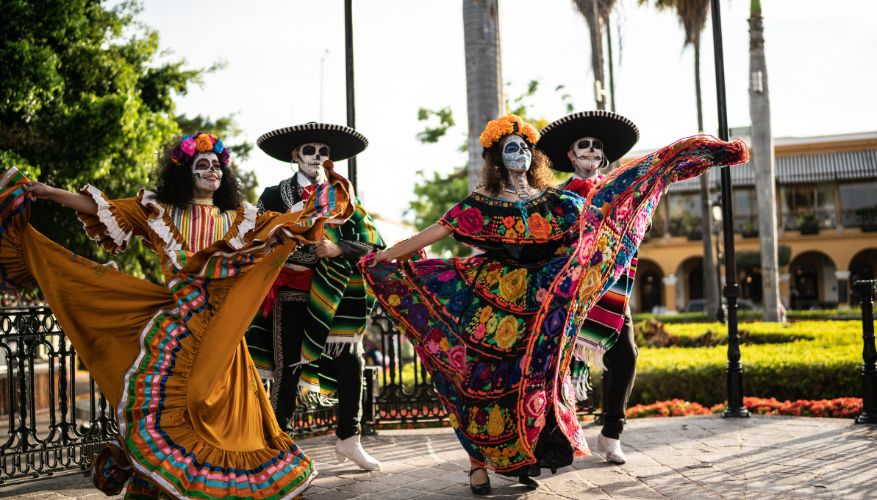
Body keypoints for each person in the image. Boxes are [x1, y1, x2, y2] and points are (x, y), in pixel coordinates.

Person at [360, 114, 748, 494]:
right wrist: (386, 255)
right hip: (492, 304)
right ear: (497, 158)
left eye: (526, 149)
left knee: (535, 380)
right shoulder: (482, 203)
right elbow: (438, 229)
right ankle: (478, 464)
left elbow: (600, 220)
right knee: (480, 380)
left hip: (543, 306)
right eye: (512, 149)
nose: (521, 156)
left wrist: (665, 166)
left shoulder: (557, 200)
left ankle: (528, 456)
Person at [0, 132, 353, 498]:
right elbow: (102, 208)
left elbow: (290, 223)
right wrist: (49, 192)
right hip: (175, 331)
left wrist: (322, 198)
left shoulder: (242, 219)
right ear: (185, 171)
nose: (212, 172)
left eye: (217, 166)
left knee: (216, 414)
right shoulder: (158, 211)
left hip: (222, 332)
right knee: (171, 409)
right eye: (203, 165)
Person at [245, 122, 384, 471]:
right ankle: (280, 448)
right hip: (289, 294)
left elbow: (373, 243)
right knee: (288, 368)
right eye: (310, 151)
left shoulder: (343, 195)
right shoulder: (273, 194)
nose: (317, 158)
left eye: (323, 152)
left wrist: (339, 248)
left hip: (333, 295)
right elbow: (254, 239)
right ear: (295, 156)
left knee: (351, 363)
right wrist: (281, 240)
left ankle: (349, 439)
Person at [538, 110, 641, 464]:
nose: (592, 151)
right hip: (567, 294)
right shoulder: (554, 197)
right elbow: (546, 244)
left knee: (625, 355)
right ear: (570, 154)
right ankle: (559, 437)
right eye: (584, 145)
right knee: (554, 367)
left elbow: (634, 232)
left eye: (598, 147)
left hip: (609, 291)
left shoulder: (620, 191)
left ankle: (612, 432)